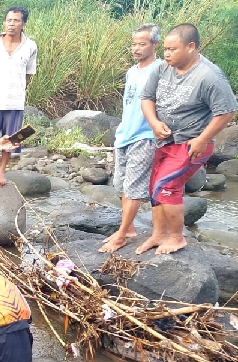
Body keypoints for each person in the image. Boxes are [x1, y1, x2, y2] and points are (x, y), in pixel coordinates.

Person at [137, 23, 237, 256]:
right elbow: (146, 98)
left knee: (168, 187)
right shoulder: (162, 68)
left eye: (173, 49)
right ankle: (159, 234)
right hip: (165, 141)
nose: (167, 54)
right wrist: (154, 122)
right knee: (155, 187)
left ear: (191, 47)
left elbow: (227, 110)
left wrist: (203, 139)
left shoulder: (209, 76)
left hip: (192, 143)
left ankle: (177, 237)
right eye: (165, 49)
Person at [99, 25, 161, 253]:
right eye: (134, 43)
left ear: (155, 44)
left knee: (135, 187)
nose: (136, 48)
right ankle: (129, 228)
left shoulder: (161, 69)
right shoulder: (132, 71)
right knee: (123, 185)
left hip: (145, 135)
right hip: (125, 134)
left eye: (142, 44)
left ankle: (122, 234)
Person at [0, 6, 37, 188]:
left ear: (23, 24)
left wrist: (15, 87)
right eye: (9, 20)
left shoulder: (30, 47)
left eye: (16, 20)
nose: (11, 24)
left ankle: (1, 172)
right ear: (4, 22)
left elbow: (28, 74)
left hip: (15, 101)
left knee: (12, 139)